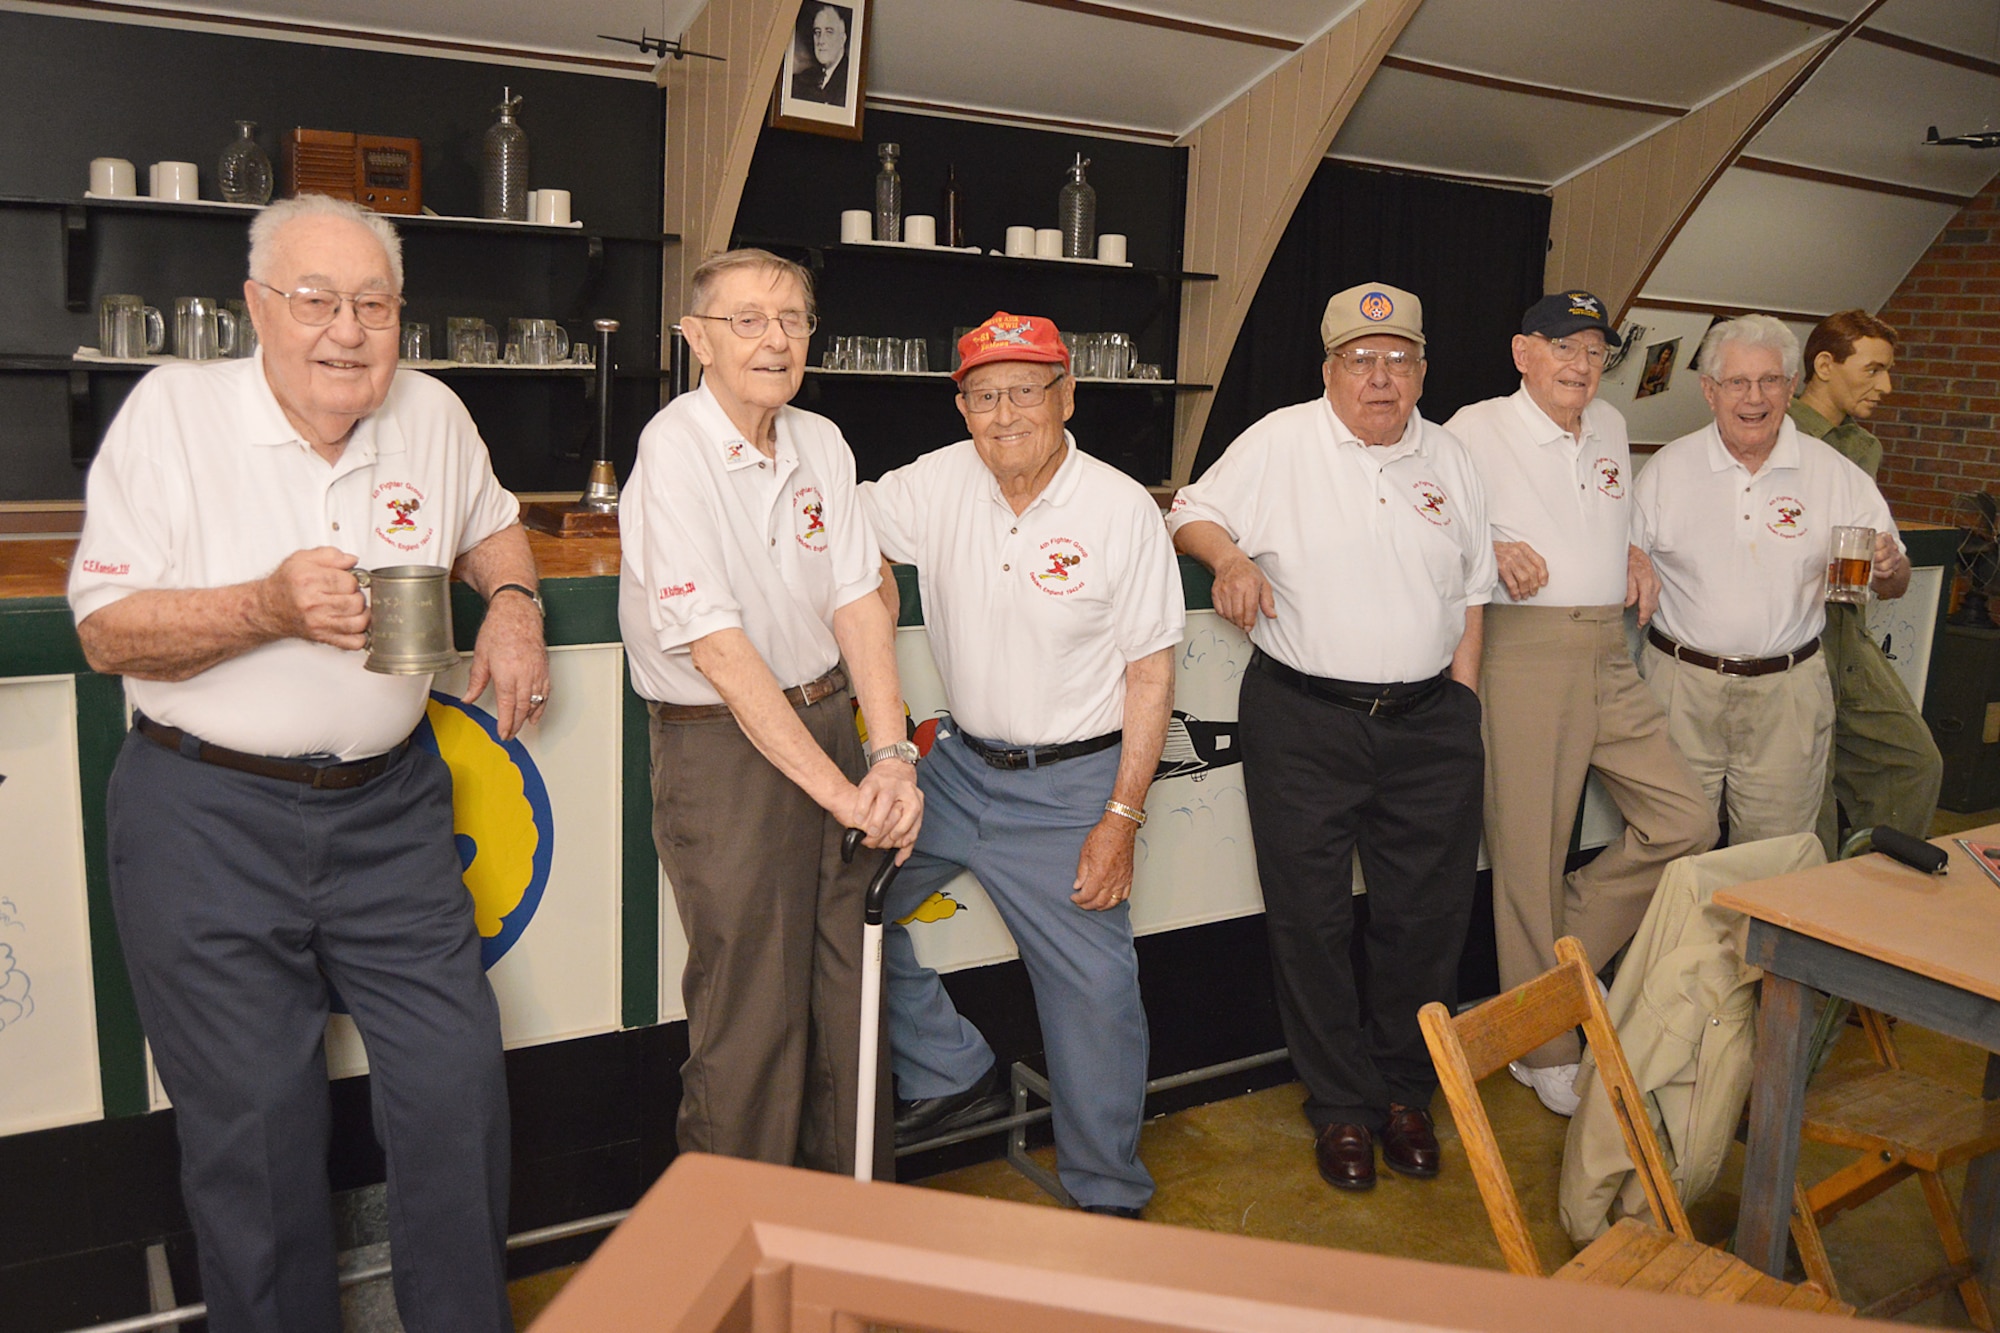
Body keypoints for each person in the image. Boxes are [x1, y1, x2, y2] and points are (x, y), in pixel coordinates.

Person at [68, 193, 548, 1333]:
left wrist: (516, 602)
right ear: (257, 309)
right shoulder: (171, 414)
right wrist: (267, 607)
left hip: (389, 808)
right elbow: (103, 632)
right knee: (257, 1134)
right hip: (205, 813)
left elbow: (491, 521)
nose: (346, 330)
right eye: (316, 301)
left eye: (372, 305)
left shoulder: (429, 411)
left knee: (454, 1089)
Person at [1168, 282, 1494, 1193]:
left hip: (1432, 723)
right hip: (1304, 717)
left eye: (1398, 359)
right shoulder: (1280, 440)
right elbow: (1187, 508)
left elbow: (1473, 588)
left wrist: (1460, 703)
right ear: (1330, 370)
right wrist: (1228, 555)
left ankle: (1404, 1094)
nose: (1380, 377)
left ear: (1423, 369)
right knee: (1308, 921)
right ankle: (1342, 1107)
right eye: (1361, 359)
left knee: (1425, 921)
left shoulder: (1454, 459)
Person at [861, 311, 1183, 1217]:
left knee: (1094, 995)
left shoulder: (1118, 507)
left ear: (1066, 395)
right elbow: (837, 527)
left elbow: (1152, 671)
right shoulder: (938, 481)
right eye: (984, 394)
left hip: (1074, 781)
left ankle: (1109, 1197)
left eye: (1025, 391)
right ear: (961, 405)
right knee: (836, 901)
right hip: (958, 767)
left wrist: (1121, 817)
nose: (1004, 414)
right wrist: (873, 581)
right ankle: (950, 1064)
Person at [617, 248, 920, 1179]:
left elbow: (860, 604)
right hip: (725, 752)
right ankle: (738, 1271)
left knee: (852, 1010)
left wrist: (893, 754)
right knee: (751, 1023)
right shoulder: (674, 448)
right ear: (695, 338)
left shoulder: (822, 442)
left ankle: (845, 1255)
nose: (775, 337)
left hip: (833, 730)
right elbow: (718, 649)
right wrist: (843, 793)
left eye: (793, 319)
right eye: (747, 319)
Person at [1444, 292, 1715, 1117]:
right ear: (1524, 351)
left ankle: (1553, 964)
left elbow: (1601, 514)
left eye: (1596, 351)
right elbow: (1432, 526)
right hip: (1524, 649)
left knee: (1685, 820)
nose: (1581, 364)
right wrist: (1489, 545)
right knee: (1530, 850)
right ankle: (1544, 1043)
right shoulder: (1471, 427)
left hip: (1608, 646)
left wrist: (1629, 549)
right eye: (1564, 347)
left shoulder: (1605, 426)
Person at [1633, 315, 1910, 846]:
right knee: (1667, 845)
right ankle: (1674, 935)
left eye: (1769, 381)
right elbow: (1624, 567)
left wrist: (1891, 568)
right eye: (1736, 382)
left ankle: (1755, 935)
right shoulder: (1668, 469)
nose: (1753, 397)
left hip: (1789, 693)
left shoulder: (1835, 472)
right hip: (1678, 689)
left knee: (1775, 856)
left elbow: (1891, 581)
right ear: (1709, 391)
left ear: (1789, 387)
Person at [1789, 310, 1942, 855]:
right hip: (1792, 634)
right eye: (1874, 369)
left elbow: (1886, 568)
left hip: (1848, 627)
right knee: (1811, 786)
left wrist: (1886, 563)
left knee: (1913, 762)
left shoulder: (1862, 448)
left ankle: (1875, 884)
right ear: (1824, 365)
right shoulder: (1770, 431)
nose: (1887, 386)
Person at [790, 3, 851, 105]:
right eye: (817, 32)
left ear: (842, 39)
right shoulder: (803, 78)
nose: (821, 40)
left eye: (829, 32)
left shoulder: (849, 81)